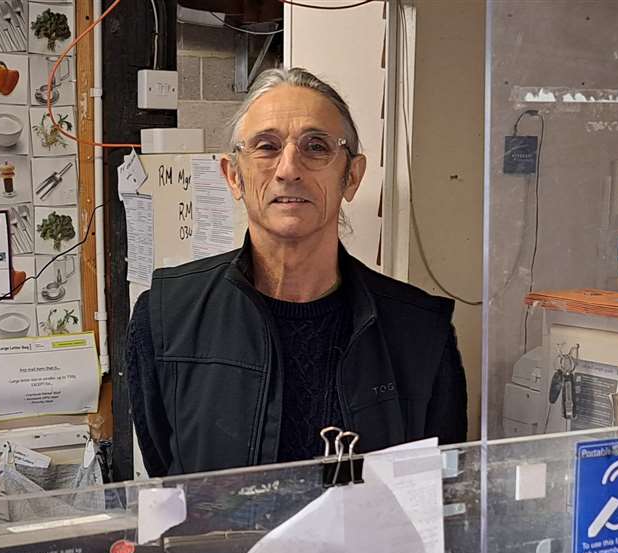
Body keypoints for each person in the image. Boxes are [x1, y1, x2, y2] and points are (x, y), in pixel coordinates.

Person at [126, 67, 467, 477]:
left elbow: (440, 487)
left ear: (351, 176)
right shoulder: (166, 318)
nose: (289, 168)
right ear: (233, 176)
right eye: (266, 147)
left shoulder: (420, 332)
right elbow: (168, 473)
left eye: (316, 146)